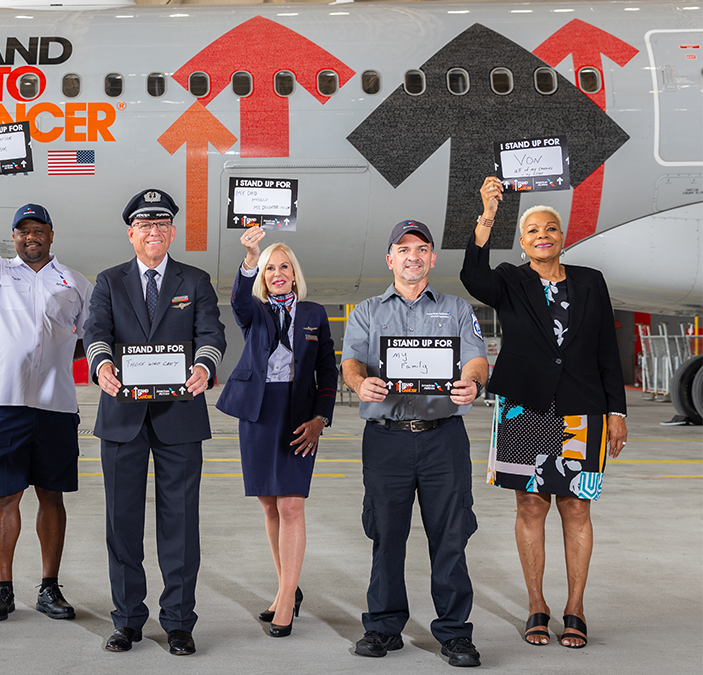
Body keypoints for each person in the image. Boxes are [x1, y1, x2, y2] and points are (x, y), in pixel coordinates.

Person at [462, 177, 628, 649]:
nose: (541, 235)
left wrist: (616, 410)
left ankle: (575, 607)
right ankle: (538, 603)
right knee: (530, 506)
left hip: (583, 411)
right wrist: (487, 216)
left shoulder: (591, 282)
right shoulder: (511, 282)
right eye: (532, 230)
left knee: (577, 507)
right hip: (524, 408)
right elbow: (473, 277)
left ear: (562, 236)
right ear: (522, 241)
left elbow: (606, 351)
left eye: (550, 228)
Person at [0, 160, 92, 622]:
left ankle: (49, 587)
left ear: (50, 234)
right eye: (23, 231)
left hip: (55, 405)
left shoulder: (77, 283)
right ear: (15, 236)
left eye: (38, 229)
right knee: (5, 497)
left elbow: (92, 342)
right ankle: (3, 587)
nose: (31, 237)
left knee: (52, 496)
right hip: (4, 404)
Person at [84, 188, 225, 656]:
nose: (153, 232)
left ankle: (180, 622)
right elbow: (96, 331)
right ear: (131, 233)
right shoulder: (109, 281)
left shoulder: (196, 280)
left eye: (161, 225)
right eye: (145, 226)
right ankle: (127, 620)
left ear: (171, 232)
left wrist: (203, 366)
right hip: (122, 414)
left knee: (180, 524)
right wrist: (102, 365)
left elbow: (211, 332)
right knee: (122, 522)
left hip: (179, 414)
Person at [342, 220, 488, 668]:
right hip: (387, 440)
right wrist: (359, 384)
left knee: (451, 535)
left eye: (421, 248)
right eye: (403, 249)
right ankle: (384, 627)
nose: (412, 256)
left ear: (431, 258)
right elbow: (351, 362)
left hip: (443, 437)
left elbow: (477, 359)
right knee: (387, 535)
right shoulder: (366, 311)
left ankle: (454, 634)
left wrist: (473, 384)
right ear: (390, 259)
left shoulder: (456, 310)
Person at [214, 227, 337, 638]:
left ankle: (285, 600)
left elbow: (327, 372)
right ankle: (289, 586)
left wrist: (321, 418)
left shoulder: (315, 314)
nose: (278, 273)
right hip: (259, 412)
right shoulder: (256, 311)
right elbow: (237, 300)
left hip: (299, 414)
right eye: (271, 268)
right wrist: (250, 257)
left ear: (295, 273)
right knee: (269, 505)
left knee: (291, 506)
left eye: (284, 266)